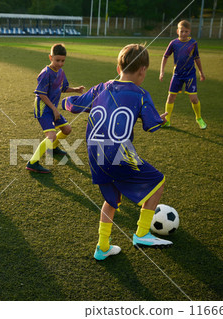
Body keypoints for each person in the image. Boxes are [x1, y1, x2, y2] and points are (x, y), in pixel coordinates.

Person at [62, 44, 173, 261]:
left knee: (113, 199)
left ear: (118, 66)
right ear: (142, 70)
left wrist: (68, 100)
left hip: (95, 154)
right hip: (118, 153)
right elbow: (151, 126)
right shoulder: (141, 94)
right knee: (158, 182)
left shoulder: (100, 88)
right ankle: (142, 233)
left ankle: (102, 247)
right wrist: (162, 119)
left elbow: (72, 105)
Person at [26, 43, 85, 173]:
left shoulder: (61, 72)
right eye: (57, 60)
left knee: (67, 129)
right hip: (43, 107)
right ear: (50, 57)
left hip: (52, 108)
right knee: (51, 135)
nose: (60, 63)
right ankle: (32, 162)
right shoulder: (46, 73)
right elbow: (41, 93)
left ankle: (52, 148)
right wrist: (54, 109)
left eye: (63, 61)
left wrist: (75, 89)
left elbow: (63, 88)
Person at [159, 20, 207, 129]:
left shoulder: (193, 43)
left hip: (190, 75)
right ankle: (167, 120)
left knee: (194, 98)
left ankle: (198, 118)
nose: (184, 33)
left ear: (189, 32)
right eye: (182, 31)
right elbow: (165, 56)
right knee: (171, 97)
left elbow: (197, 58)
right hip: (177, 75)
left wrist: (201, 72)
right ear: (177, 31)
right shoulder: (173, 43)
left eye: (186, 31)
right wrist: (162, 71)